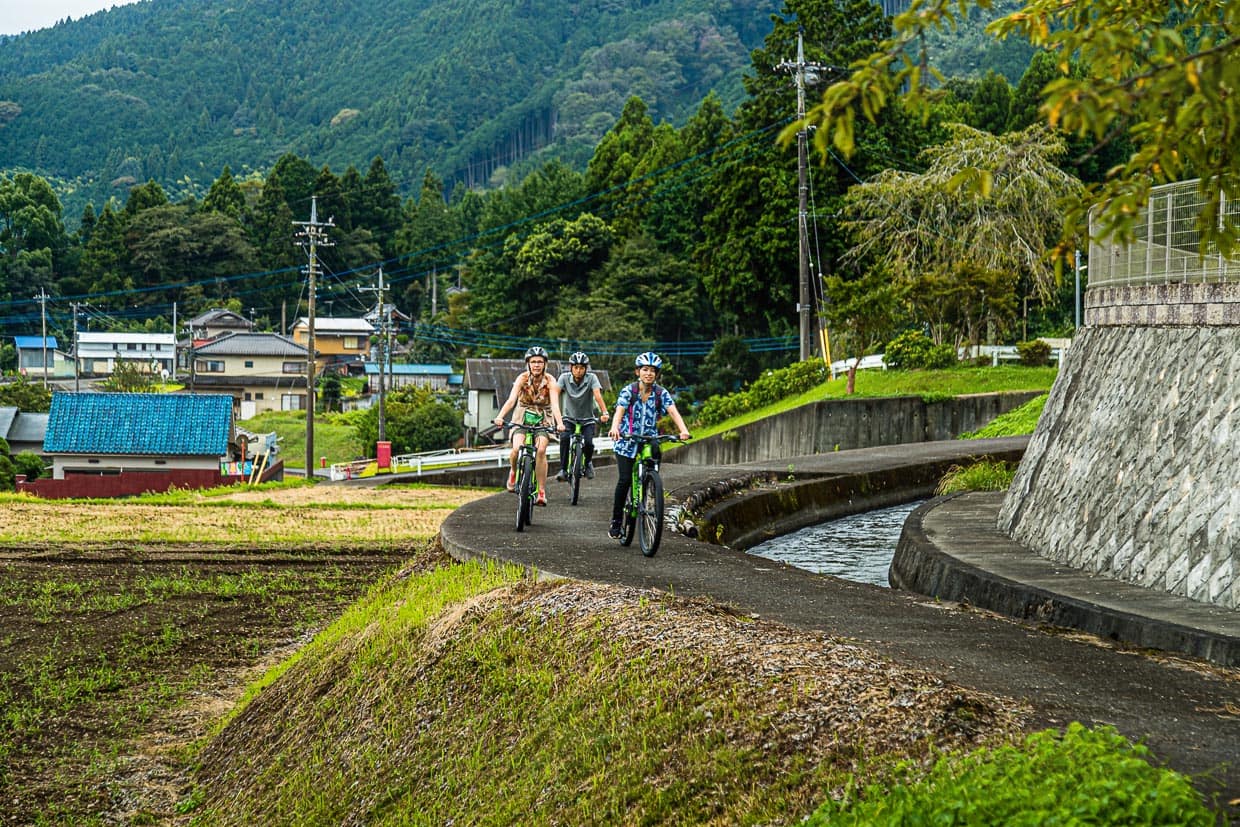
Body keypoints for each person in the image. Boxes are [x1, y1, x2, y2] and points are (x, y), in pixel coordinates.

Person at [606, 351, 690, 538]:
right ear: (638, 372)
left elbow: (673, 411)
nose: (649, 374)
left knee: (654, 458)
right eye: (645, 370)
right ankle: (617, 520)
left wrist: (683, 430)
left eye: (653, 371)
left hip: (649, 438)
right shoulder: (630, 391)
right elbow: (619, 410)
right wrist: (614, 428)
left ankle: (650, 488)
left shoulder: (661, 393)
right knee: (625, 479)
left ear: (657, 374)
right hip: (627, 439)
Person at [493, 346, 564, 506]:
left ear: (545, 364)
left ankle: (541, 491)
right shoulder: (522, 378)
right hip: (522, 415)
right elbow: (511, 400)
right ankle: (513, 471)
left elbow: (554, 405)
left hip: (543, 416)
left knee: (540, 450)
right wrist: (500, 416)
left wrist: (559, 423)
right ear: (528, 364)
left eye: (540, 362)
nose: (536, 365)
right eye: (533, 362)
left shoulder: (551, 382)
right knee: (517, 448)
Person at [555, 351, 609, 481]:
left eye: (582, 368)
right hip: (569, 418)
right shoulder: (563, 377)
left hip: (588, 419)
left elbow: (597, 395)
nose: (579, 371)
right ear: (571, 367)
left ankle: (588, 463)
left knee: (589, 443)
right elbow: (554, 395)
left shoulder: (592, 378)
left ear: (586, 369)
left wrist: (605, 412)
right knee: (565, 438)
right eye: (576, 367)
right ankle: (563, 469)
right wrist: (556, 418)